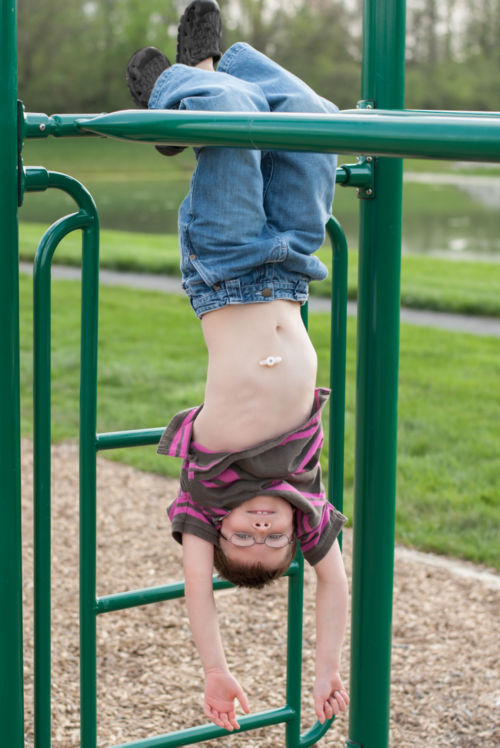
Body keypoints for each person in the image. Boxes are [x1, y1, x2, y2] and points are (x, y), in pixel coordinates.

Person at [126, 0, 349, 733]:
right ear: (298, 533)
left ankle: (175, 95)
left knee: (225, 118)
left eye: (240, 539)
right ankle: (209, 68)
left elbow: (197, 591)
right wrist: (326, 670)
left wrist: (216, 671)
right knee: (316, 118)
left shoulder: (207, 493)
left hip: (223, 268)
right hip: (290, 266)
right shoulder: (309, 495)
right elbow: (334, 589)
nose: (257, 530)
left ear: (217, 530)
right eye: (271, 539)